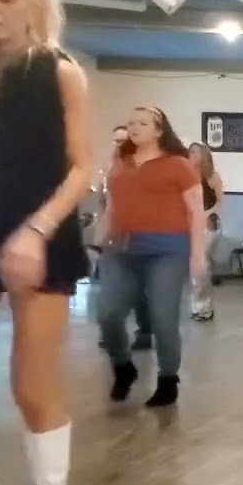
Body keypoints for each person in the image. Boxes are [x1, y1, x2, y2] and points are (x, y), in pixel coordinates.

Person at [0, 0, 92, 485]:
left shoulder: (57, 71)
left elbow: (81, 167)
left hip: (40, 232)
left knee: (31, 384)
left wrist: (35, 230)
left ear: (32, 7)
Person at [97, 106, 205, 408]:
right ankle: (123, 366)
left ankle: (168, 378)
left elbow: (196, 211)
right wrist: (98, 241)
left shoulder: (179, 165)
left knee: (162, 317)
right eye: (131, 122)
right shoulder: (119, 163)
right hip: (122, 249)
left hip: (167, 251)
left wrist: (198, 254)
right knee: (108, 313)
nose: (134, 127)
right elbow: (112, 207)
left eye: (143, 123)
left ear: (159, 130)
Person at [93, 123, 153, 348]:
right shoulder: (108, 168)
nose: (119, 144)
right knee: (109, 286)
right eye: (116, 140)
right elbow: (101, 201)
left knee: (138, 289)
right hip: (112, 235)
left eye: (123, 140)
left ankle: (145, 332)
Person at [188, 142, 224, 321]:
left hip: (208, 224)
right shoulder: (185, 176)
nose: (193, 155)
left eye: (197, 152)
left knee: (200, 266)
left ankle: (204, 307)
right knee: (195, 268)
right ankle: (198, 306)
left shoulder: (212, 177)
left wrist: (205, 213)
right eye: (191, 152)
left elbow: (219, 202)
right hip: (190, 224)